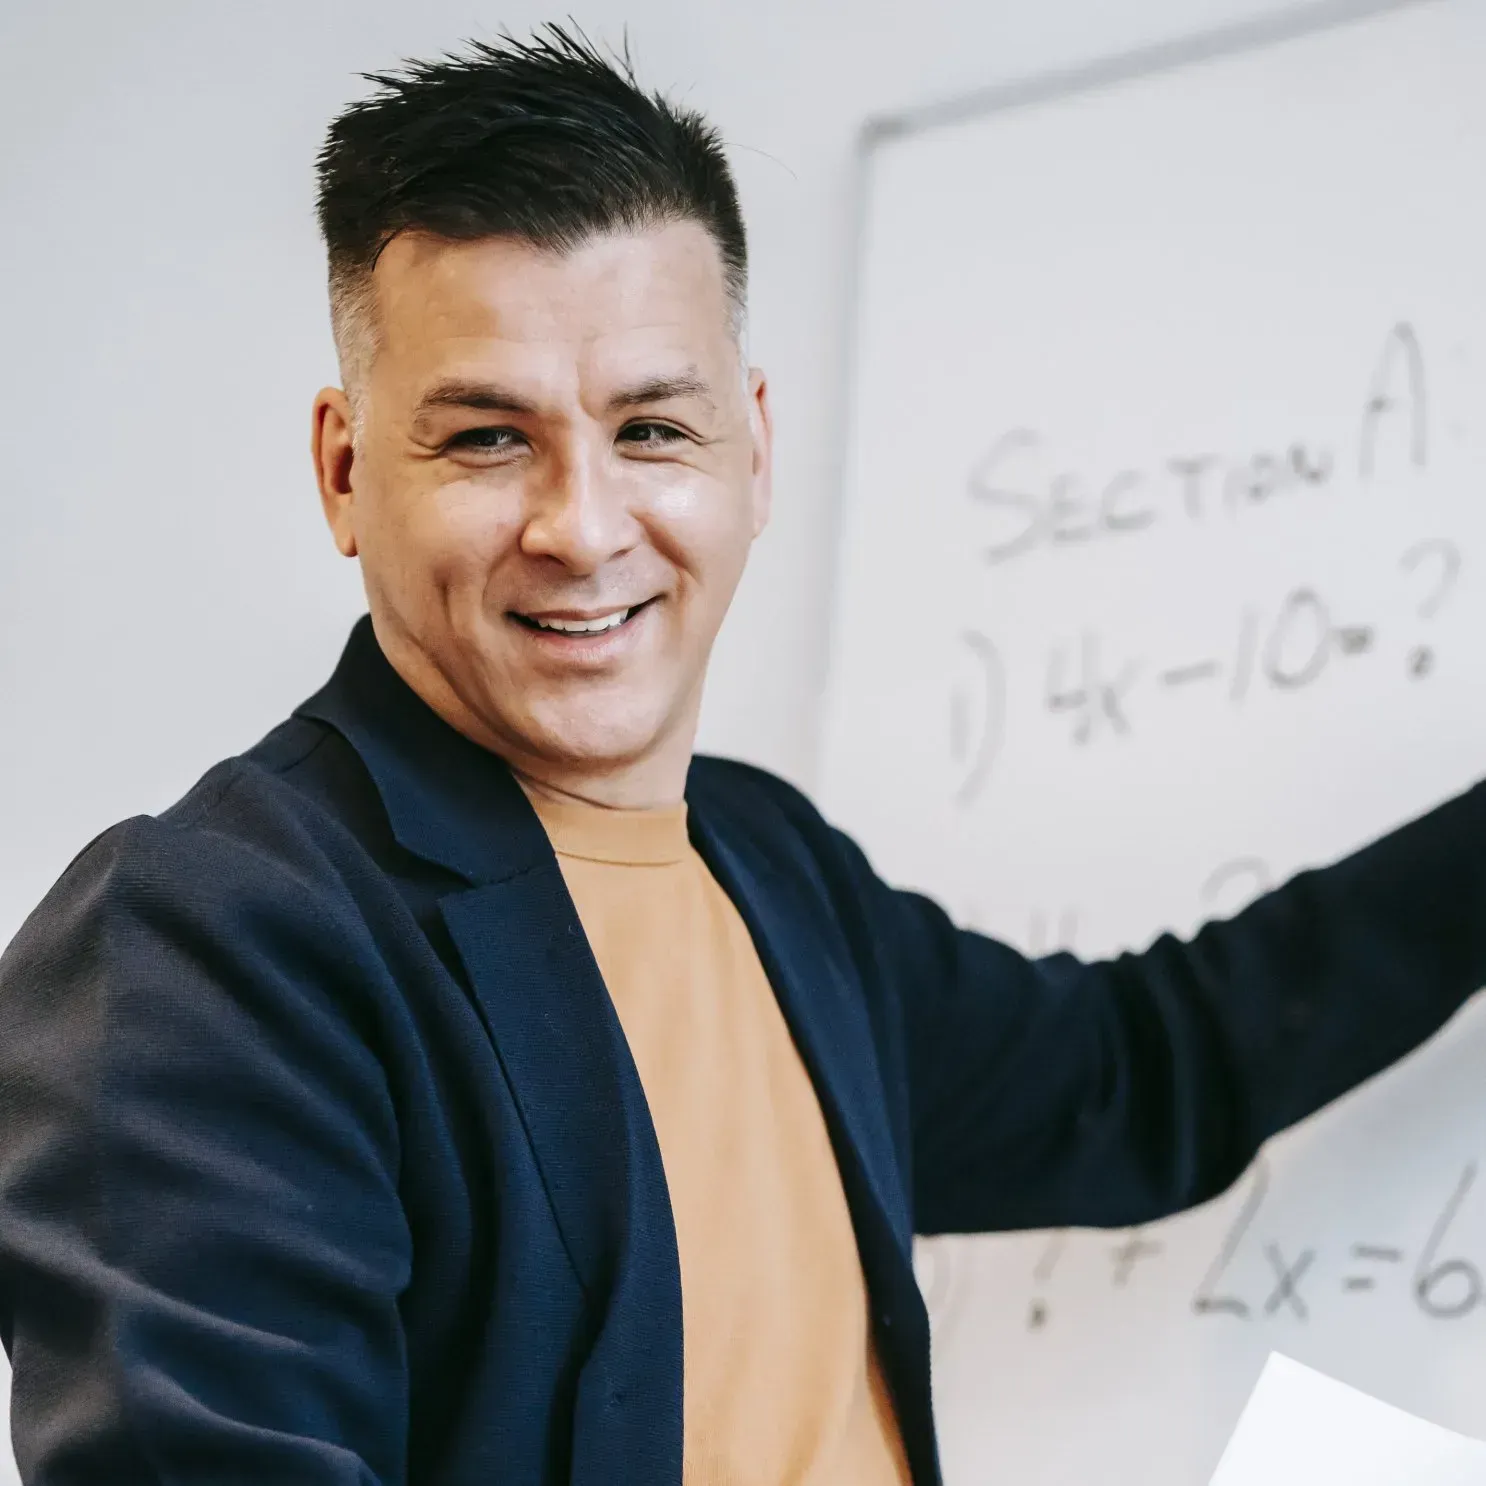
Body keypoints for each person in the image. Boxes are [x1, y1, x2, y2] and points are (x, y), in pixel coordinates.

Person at [0, 26, 1482, 1486]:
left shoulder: (771, 869)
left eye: (650, 427)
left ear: (751, 454)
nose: (581, 527)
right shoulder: (212, 941)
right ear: (342, 469)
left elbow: (1141, 1077)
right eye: (484, 440)